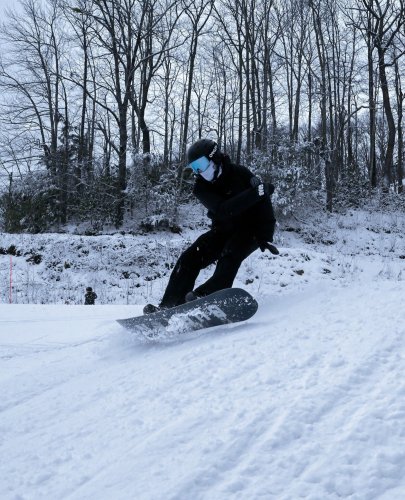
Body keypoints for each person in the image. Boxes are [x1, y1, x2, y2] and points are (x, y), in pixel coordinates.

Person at [143, 138, 277, 314]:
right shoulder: (200, 188)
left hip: (252, 230)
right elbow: (223, 210)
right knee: (190, 257)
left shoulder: (239, 173)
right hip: (223, 230)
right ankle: (169, 305)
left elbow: (263, 201)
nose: (199, 171)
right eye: (194, 168)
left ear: (215, 158)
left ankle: (204, 297)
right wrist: (256, 193)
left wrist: (266, 234)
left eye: (201, 165)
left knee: (231, 254)